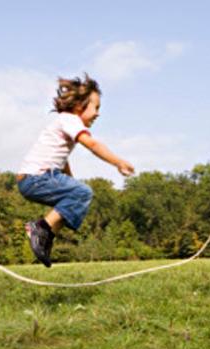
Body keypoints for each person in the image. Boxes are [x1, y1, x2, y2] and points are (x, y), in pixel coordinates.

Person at [17, 74, 134, 267]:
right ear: (80, 106)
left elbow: (62, 161)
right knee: (84, 193)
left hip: (31, 180)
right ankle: (41, 228)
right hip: (37, 178)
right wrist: (118, 162)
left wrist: (70, 182)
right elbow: (92, 144)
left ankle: (44, 239)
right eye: (95, 107)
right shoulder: (70, 120)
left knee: (75, 197)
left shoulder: (63, 123)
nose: (98, 113)